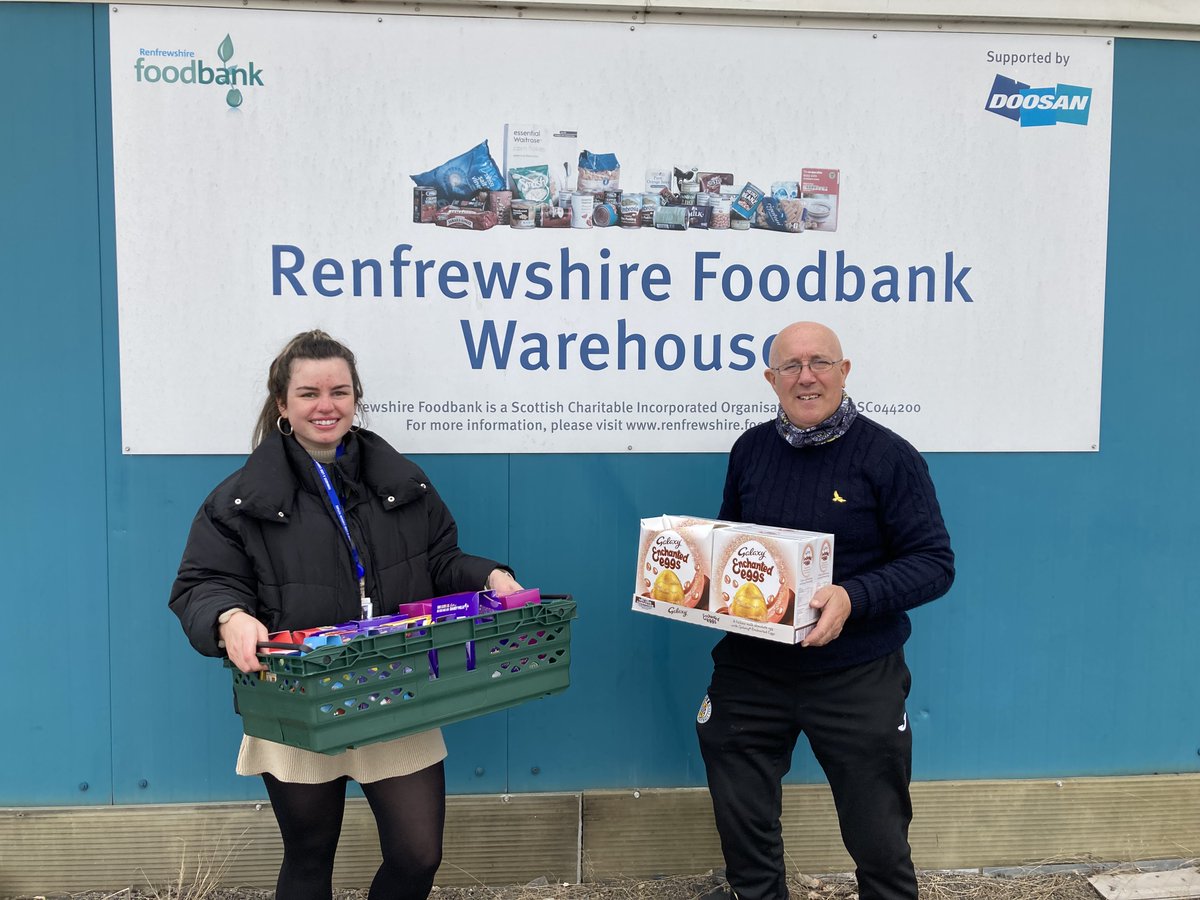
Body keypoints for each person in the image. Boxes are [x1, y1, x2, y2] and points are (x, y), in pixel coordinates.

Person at [169, 329, 521, 900]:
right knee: (309, 858)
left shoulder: (402, 482)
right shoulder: (240, 498)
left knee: (418, 853)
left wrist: (488, 576)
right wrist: (228, 617)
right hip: (298, 694)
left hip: (397, 685)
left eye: (339, 391)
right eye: (308, 393)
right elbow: (202, 584)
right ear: (282, 404)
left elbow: (440, 559)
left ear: (356, 397)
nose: (325, 405)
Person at [696, 321, 954, 900]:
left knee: (880, 841)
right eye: (790, 366)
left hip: (856, 672)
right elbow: (735, 548)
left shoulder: (889, 456)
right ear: (771, 379)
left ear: (844, 371)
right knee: (744, 830)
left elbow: (934, 562)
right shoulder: (750, 450)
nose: (805, 376)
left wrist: (852, 596)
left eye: (819, 362)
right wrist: (698, 583)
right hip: (751, 670)